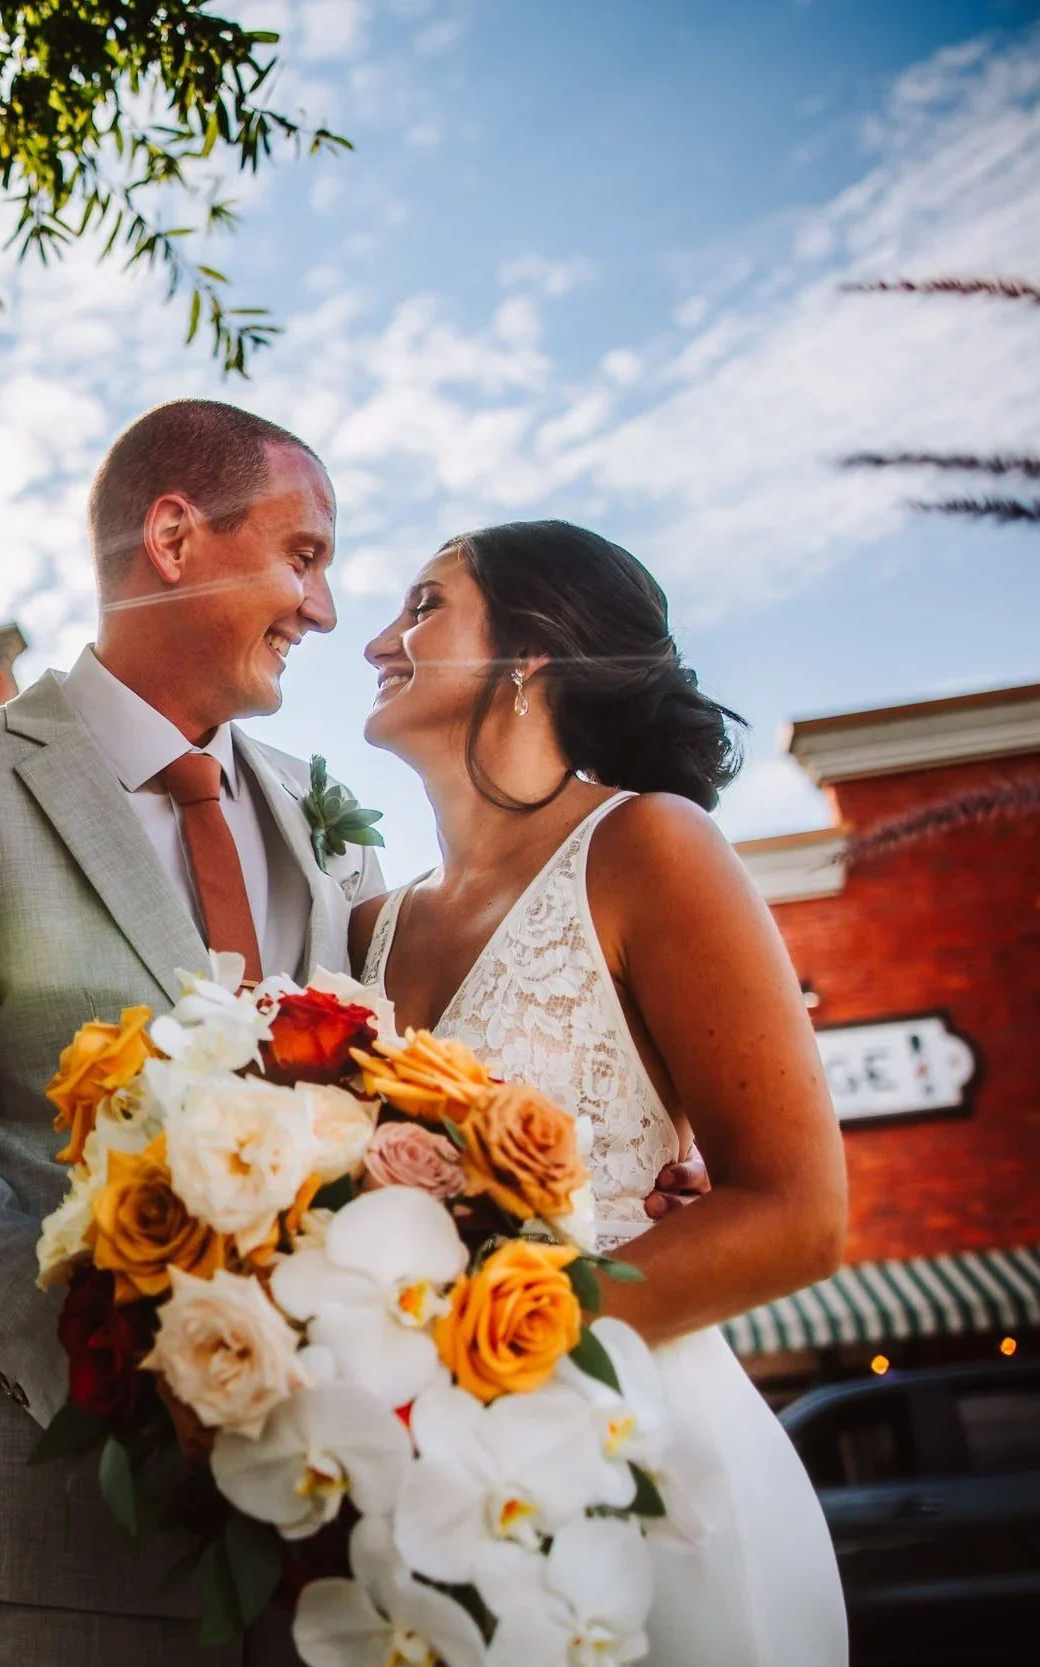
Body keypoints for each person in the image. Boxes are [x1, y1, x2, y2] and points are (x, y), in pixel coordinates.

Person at [0, 406, 706, 1663]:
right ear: (177, 537)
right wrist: (124, 1367)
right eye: (304, 555)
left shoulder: (323, 810)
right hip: (79, 1531)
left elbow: (420, 1078)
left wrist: (645, 1138)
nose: (325, 607)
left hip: (348, 1532)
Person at [351, 519, 850, 1665]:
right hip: (436, 1509)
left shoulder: (650, 847)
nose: (378, 638)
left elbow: (795, 1211)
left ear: (530, 655)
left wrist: (472, 1356)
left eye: (424, 606)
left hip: (647, 1470)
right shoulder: (365, 932)